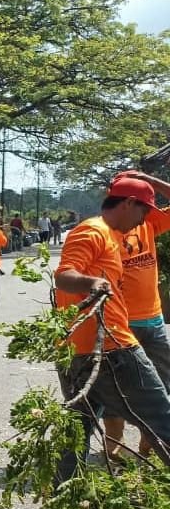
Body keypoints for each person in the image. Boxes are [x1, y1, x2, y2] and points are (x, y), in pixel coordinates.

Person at [55, 175, 170, 478]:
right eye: (144, 211)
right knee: (162, 417)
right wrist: (92, 282)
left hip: (77, 350)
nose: (144, 220)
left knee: (77, 429)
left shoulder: (107, 233)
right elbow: (64, 274)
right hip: (113, 347)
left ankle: (62, 494)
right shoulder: (92, 232)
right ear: (129, 203)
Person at [101, 171, 170, 461]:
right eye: (142, 206)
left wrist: (149, 181)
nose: (146, 214)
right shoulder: (102, 231)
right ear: (126, 203)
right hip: (120, 325)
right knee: (116, 393)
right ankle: (114, 453)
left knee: (161, 390)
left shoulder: (148, 223)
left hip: (153, 322)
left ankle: (148, 450)